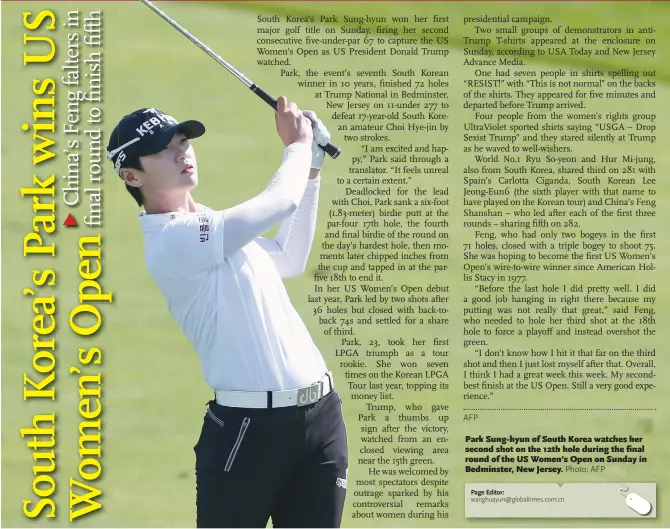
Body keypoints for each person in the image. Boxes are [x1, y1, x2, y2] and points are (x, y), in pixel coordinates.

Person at [106, 97, 348, 528]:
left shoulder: (210, 225)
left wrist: (311, 168)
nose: (182, 151)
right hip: (248, 433)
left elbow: (287, 257)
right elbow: (278, 204)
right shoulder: (172, 241)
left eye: (182, 140)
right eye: (163, 148)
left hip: (321, 420)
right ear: (131, 175)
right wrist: (296, 146)